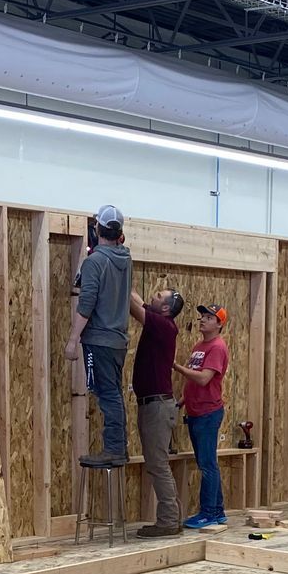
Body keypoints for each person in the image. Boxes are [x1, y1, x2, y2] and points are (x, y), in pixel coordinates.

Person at [64, 204, 132, 467]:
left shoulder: (94, 262)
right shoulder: (125, 259)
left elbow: (86, 304)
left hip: (99, 340)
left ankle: (114, 448)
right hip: (117, 341)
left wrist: (73, 341)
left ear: (97, 229)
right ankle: (118, 446)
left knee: (107, 395)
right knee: (113, 392)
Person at [130, 286, 184, 537]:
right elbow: (138, 301)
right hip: (154, 405)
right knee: (157, 464)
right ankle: (172, 518)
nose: (153, 295)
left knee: (158, 465)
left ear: (165, 308)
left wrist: (115, 272)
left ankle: (168, 522)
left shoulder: (164, 326)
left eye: (159, 296)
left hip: (157, 407)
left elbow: (134, 306)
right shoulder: (160, 322)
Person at [175, 303, 230, 529]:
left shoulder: (217, 347)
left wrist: (176, 366)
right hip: (196, 411)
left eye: (209, 317)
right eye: (202, 316)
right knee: (207, 463)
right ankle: (218, 511)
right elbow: (192, 381)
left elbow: (203, 378)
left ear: (219, 324)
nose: (203, 320)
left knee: (207, 465)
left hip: (208, 413)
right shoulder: (199, 346)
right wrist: (181, 401)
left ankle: (208, 513)